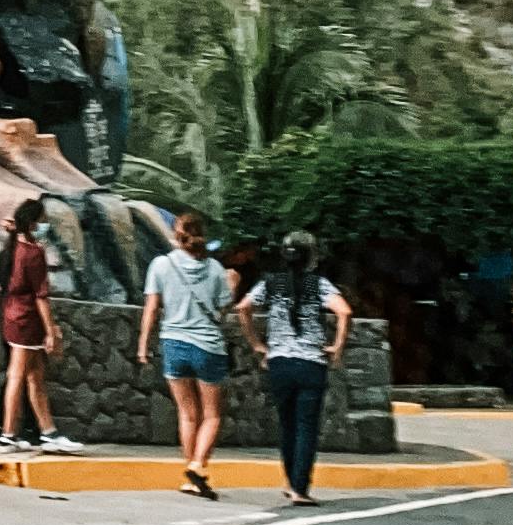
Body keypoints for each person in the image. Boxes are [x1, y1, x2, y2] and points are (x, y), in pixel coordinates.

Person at [236, 230, 353, 506]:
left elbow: (243, 308)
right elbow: (344, 311)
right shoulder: (319, 285)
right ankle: (300, 487)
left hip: (280, 362)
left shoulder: (270, 284)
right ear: (311, 256)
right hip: (311, 363)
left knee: (287, 425)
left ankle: (290, 483)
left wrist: (257, 344)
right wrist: (336, 347)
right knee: (306, 427)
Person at [137, 210, 235, 499]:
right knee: (212, 415)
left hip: (173, 344)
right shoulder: (216, 269)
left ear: (176, 234)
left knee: (187, 414)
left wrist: (143, 343)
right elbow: (221, 310)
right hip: (208, 347)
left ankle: (190, 477)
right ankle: (197, 465)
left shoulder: (161, 264)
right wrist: (233, 285)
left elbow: (152, 307)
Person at [0, 197, 81, 453]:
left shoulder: (12, 247)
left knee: (34, 375)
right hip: (27, 320)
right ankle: (8, 433)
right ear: (34, 221)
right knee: (19, 376)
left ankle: (47, 430)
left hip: (12, 315)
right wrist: (51, 330)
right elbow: (41, 295)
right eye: (42, 220)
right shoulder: (34, 252)